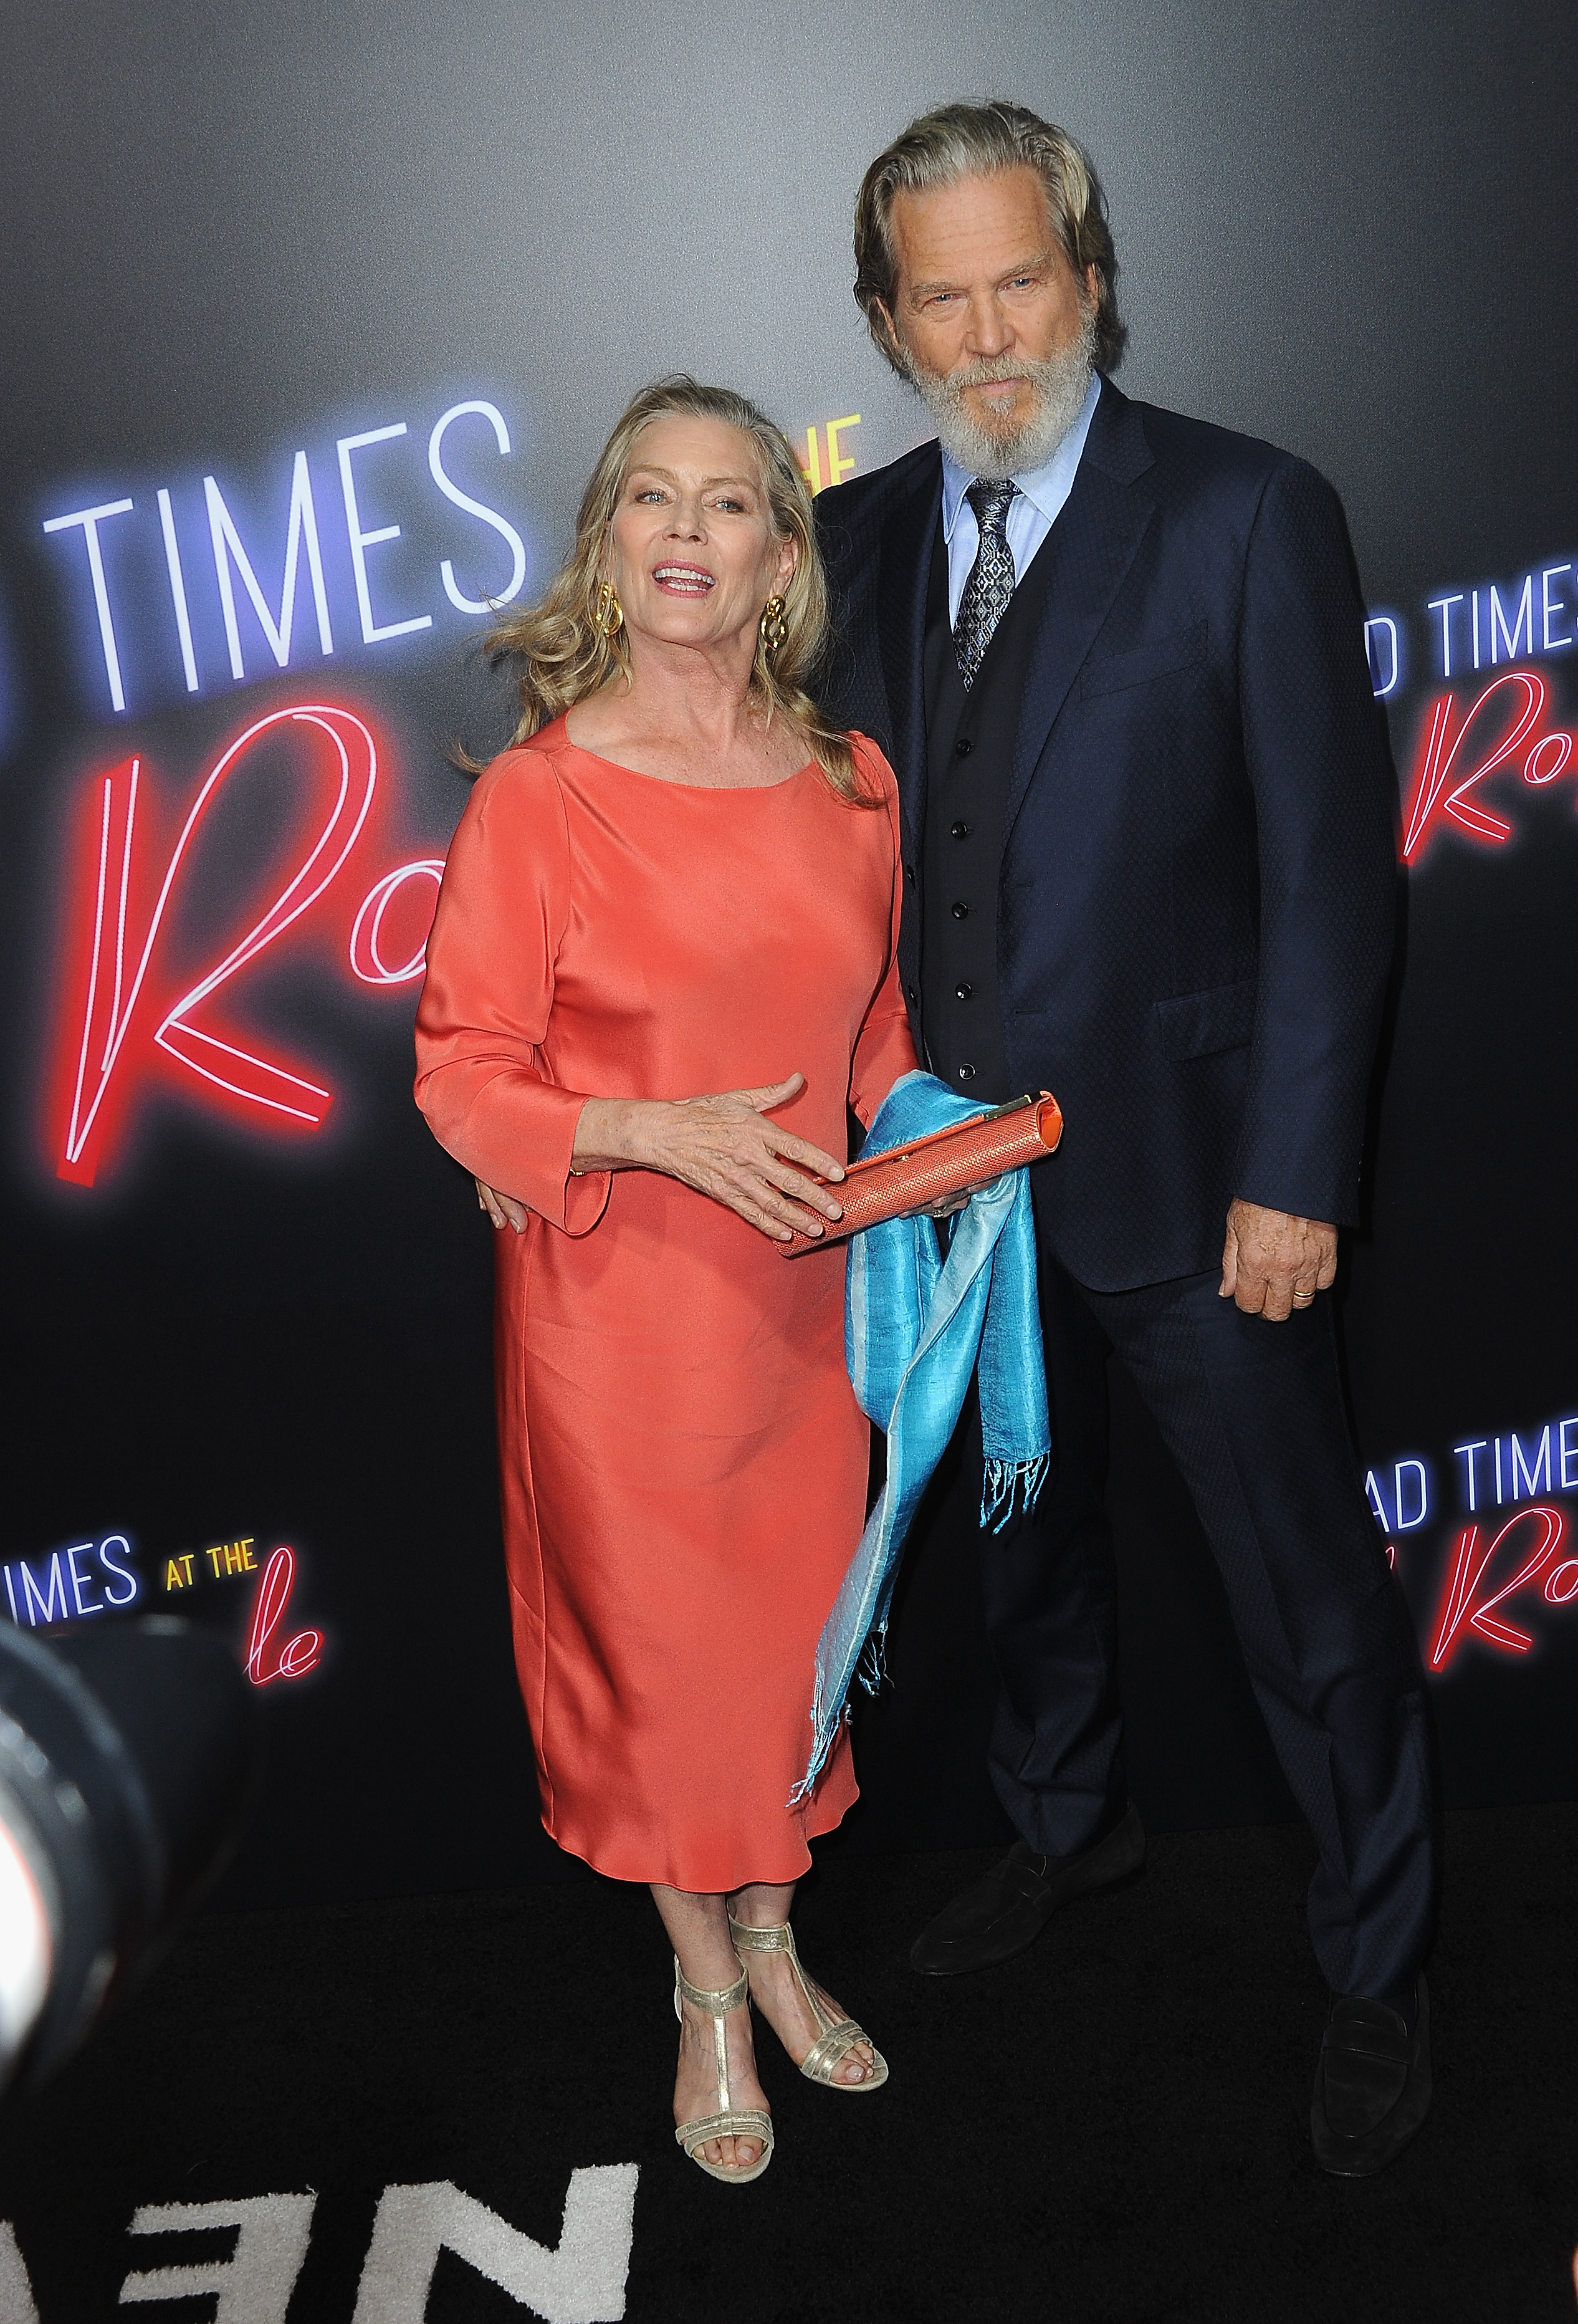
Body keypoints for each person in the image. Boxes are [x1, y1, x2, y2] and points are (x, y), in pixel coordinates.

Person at [811, 100, 1435, 2176]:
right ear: (890, 324)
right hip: (949, 1196)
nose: (987, 333)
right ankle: (1064, 1836)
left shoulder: (1247, 512)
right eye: (940, 297)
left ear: (1088, 281)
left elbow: (1334, 883)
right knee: (1024, 1552)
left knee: (1302, 1595)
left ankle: (1377, 1961)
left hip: (1197, 1181)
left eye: (1021, 281)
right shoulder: (862, 538)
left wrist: (1291, 1172)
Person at [414, 377, 919, 2183]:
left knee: (790, 1657)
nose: (688, 533)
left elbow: (871, 1034)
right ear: (607, 544)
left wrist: (940, 1142)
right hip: (620, 1319)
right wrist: (643, 1132)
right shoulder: (542, 801)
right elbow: (463, 1070)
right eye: (651, 498)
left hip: (808, 1315)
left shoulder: (849, 782)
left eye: (728, 504)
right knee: (660, 1673)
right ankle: (704, 1984)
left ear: (782, 557)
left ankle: (776, 1934)